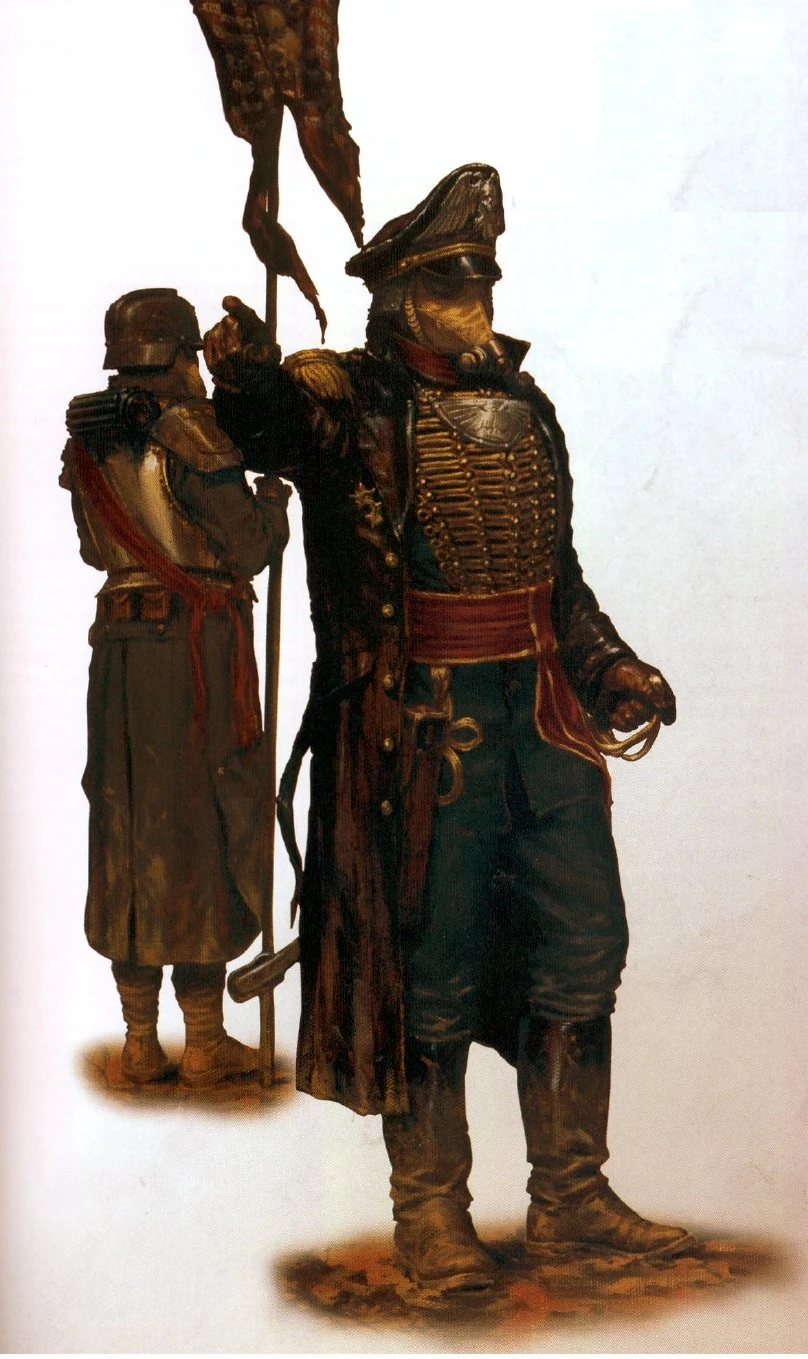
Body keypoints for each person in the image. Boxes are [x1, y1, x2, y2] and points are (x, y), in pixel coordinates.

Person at [204, 164, 696, 1295]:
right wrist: (244, 375)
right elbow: (271, 430)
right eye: (452, 279)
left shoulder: (526, 407)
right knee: (428, 974)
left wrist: (609, 666)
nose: (476, 296)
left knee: (586, 946)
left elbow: (556, 581)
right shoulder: (343, 399)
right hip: (423, 737)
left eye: (482, 277)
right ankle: (431, 1216)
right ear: (399, 294)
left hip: (545, 725)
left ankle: (570, 1199)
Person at [61, 288, 289, 1089]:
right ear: (181, 356)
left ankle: (138, 1039)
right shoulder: (189, 433)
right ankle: (203, 1041)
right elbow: (249, 547)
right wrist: (273, 505)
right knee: (199, 827)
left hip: (117, 657)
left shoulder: (89, 440)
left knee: (127, 828)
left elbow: (93, 550)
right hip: (193, 654)